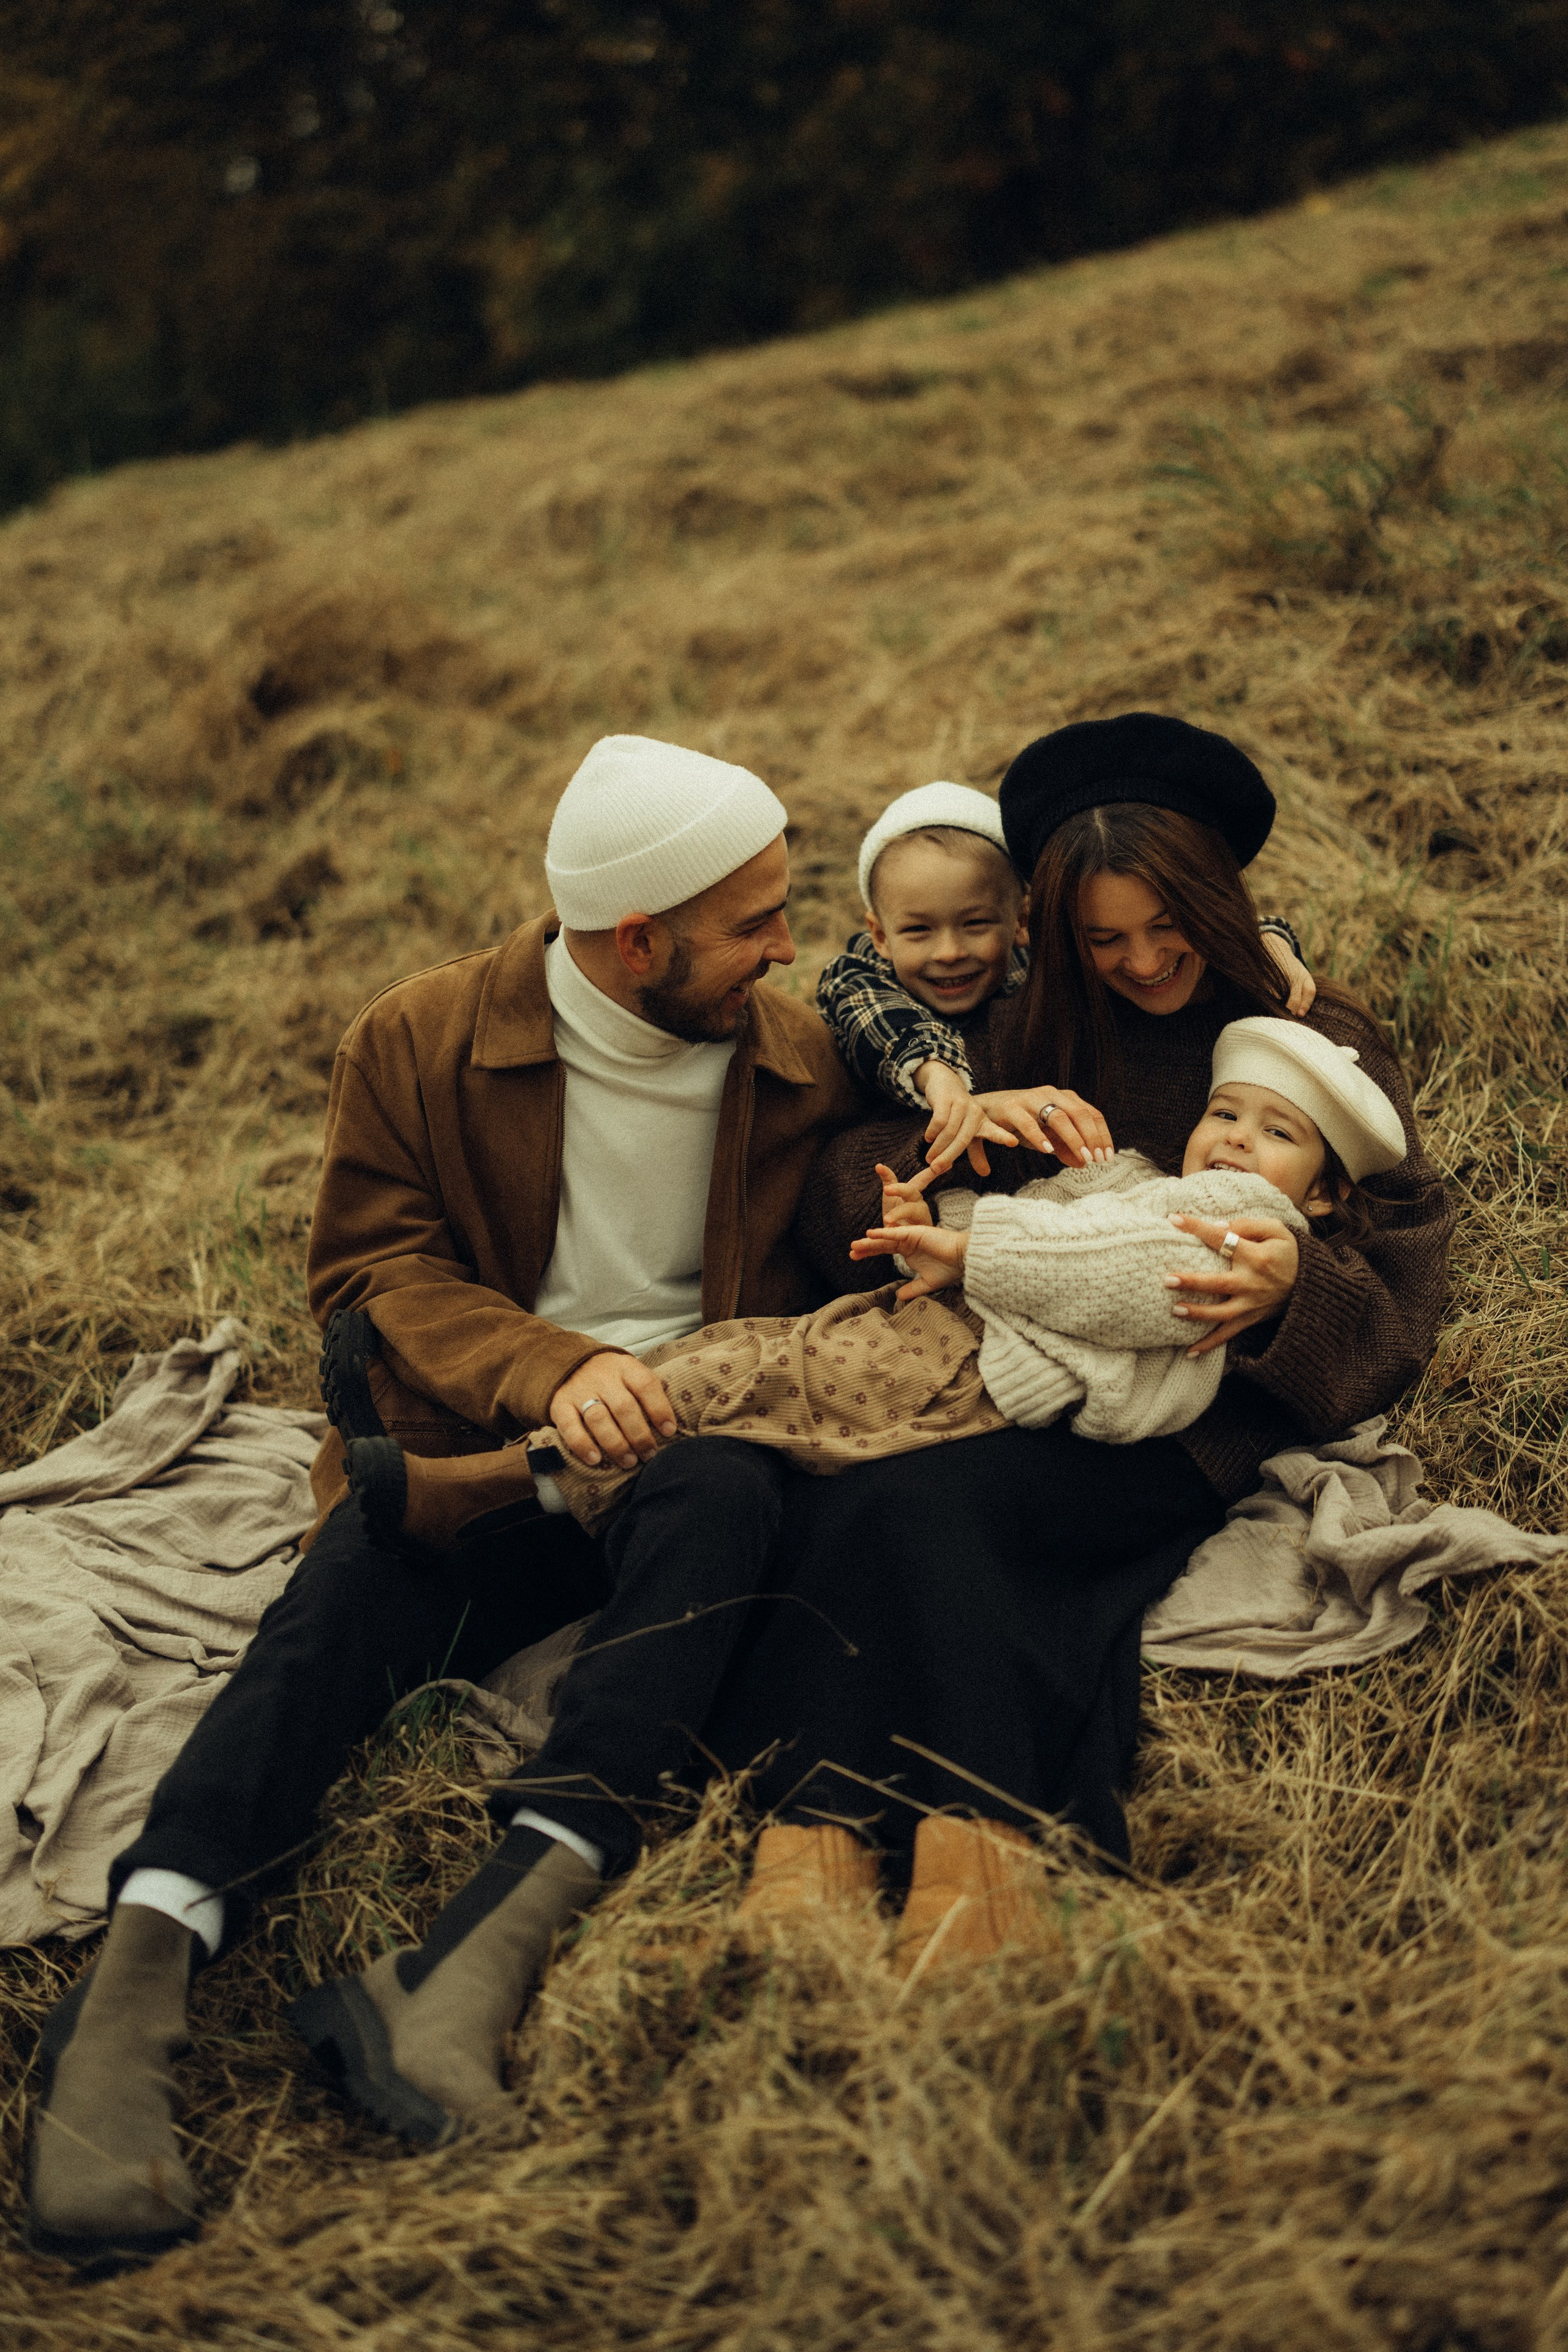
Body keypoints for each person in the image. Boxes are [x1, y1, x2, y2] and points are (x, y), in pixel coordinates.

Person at [275, 712, 1453, 2154]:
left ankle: (979, 1846)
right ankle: (812, 1844)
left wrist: (1287, 1295)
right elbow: (844, 1150)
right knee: (841, 1495)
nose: (1140, 964)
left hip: (1177, 1414)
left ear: (1217, 907)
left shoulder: (1309, 1041)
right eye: (1102, 938)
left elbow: (1399, 1280)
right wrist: (922, 1161)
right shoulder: (1027, 1023)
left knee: (949, 1512)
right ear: (1051, 934)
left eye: (1166, 931)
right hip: (997, 1355)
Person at [25, 733, 864, 2272]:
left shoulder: (800, 1054)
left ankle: (472, 1958)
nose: (784, 942)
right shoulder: (414, 1039)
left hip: (689, 1468)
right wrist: (549, 1371)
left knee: (725, 1490)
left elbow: (921, 1030)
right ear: (636, 941)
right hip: (485, 1451)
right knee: (350, 1578)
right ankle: (141, 1973)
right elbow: (371, 1266)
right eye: (753, 918)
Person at [366, 1013, 1409, 1547]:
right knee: (739, 1368)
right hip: (964, 1327)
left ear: (1316, 1195)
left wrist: (970, 1252)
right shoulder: (1143, 1178)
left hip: (998, 1376)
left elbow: (1131, 1277)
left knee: (744, 1395)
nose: (1237, 1142)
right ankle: (506, 1471)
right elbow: (1058, 1224)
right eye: (1226, 1113)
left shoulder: (1251, 1226)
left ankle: (490, 1489)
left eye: (1279, 1135)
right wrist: (933, 1224)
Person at [815, 777, 1316, 1175]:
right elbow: (870, 1007)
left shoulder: (1037, 973)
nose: (949, 953)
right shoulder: (869, 977)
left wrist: (1263, 942)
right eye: (919, 930)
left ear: (1023, 924)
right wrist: (939, 1078)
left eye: (976, 925)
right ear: (880, 934)